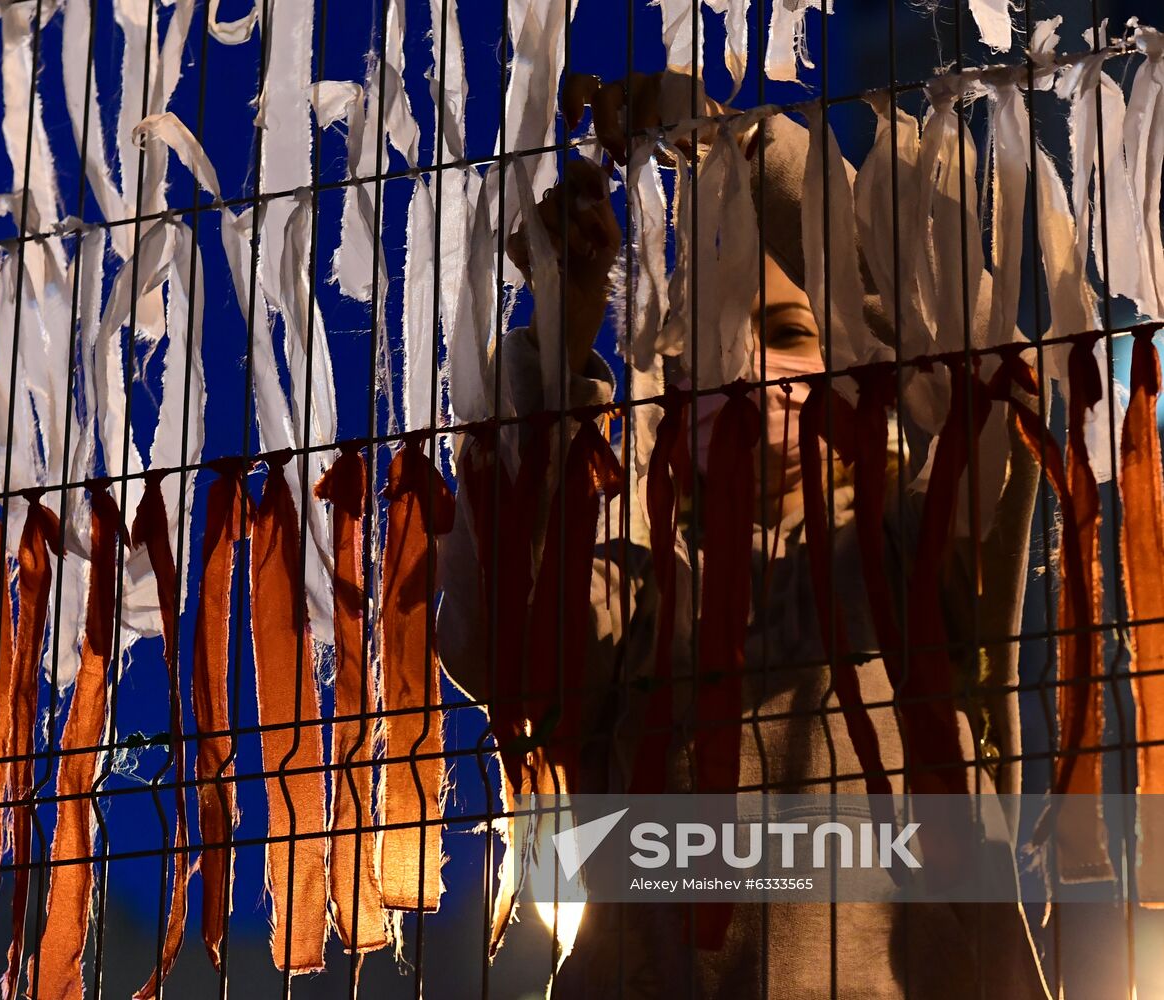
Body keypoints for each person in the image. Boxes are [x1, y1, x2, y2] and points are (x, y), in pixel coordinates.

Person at [436, 71, 1051, 998]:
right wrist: (560, 350)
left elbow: (989, 408)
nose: (756, 367)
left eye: (791, 330)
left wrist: (742, 145)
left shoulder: (913, 545)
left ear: (862, 360)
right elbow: (498, 644)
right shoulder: (639, 586)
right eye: (719, 342)